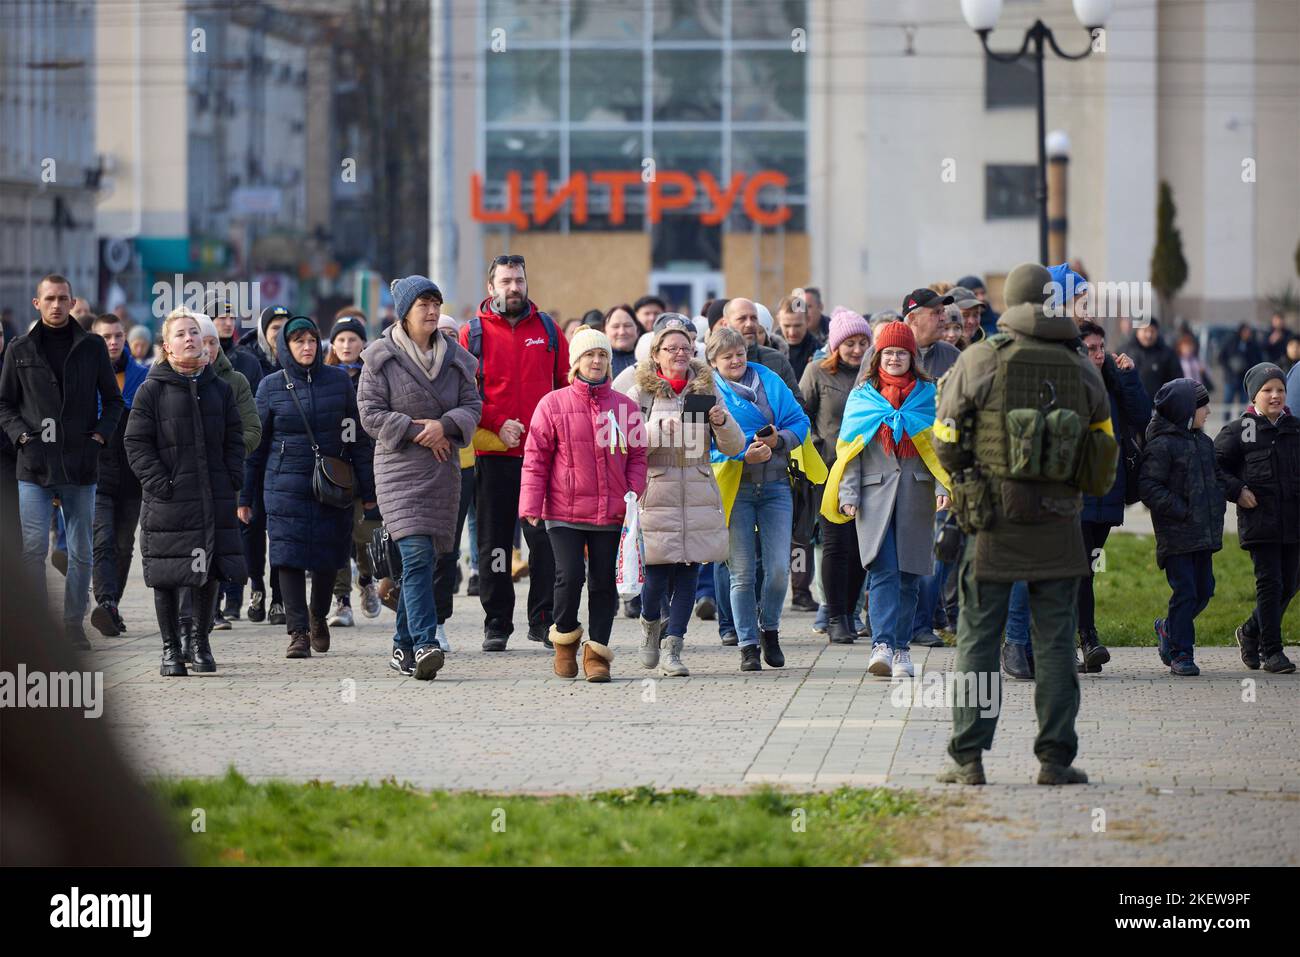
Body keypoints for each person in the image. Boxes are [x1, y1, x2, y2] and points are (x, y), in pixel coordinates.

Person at [933, 262, 1116, 786]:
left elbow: (945, 435)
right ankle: (1055, 760)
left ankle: (969, 758)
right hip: (1060, 524)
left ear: (1008, 304)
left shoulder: (980, 359)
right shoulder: (1082, 366)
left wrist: (967, 478)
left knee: (977, 642)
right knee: (1057, 643)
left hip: (991, 521)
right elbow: (1102, 447)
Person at [358, 277, 481, 679]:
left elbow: (473, 406)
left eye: (435, 303)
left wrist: (445, 425)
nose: (431, 311)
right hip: (399, 468)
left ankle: (401, 646)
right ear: (404, 311)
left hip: (442, 469)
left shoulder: (458, 358)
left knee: (426, 561)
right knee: (414, 555)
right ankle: (426, 641)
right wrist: (417, 430)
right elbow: (370, 413)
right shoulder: (379, 357)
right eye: (423, 304)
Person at [0, 275, 125, 649]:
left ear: (73, 304)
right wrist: (23, 437)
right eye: (50, 299)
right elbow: (4, 404)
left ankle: (72, 624)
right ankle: (38, 629)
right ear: (37, 303)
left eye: (63, 299)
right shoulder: (19, 350)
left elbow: (114, 401)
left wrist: (98, 438)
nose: (57, 305)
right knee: (33, 549)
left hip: (80, 465)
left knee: (81, 550)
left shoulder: (91, 347)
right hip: (34, 467)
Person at [239, 316, 376, 659]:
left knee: (329, 555)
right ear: (286, 346)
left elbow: (355, 437)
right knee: (288, 556)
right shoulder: (271, 386)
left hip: (332, 482)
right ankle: (297, 631)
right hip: (284, 483)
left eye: (312, 340)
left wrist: (369, 491)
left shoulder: (339, 383)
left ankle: (318, 616)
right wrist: (245, 496)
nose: (306, 347)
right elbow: (256, 445)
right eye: (298, 341)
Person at [520, 326, 648, 681]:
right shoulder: (553, 404)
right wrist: (531, 504)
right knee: (569, 576)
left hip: (611, 512)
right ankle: (564, 641)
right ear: (575, 362)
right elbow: (536, 458)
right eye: (589, 355)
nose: (597, 361)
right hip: (563, 512)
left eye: (602, 355)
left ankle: (598, 653)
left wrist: (633, 493)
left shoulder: (625, 407)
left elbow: (638, 455)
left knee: (604, 582)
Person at [124, 307, 245, 676]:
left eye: (194, 331)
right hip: (169, 502)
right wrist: (162, 485)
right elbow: (136, 444)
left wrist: (230, 478)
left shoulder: (219, 390)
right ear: (167, 346)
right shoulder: (151, 390)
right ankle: (170, 649)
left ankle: (200, 642)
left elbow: (234, 440)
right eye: (181, 333)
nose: (190, 338)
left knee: (207, 570)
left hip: (212, 497)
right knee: (168, 575)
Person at [826, 322, 948, 679]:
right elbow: (850, 450)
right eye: (889, 352)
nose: (895, 358)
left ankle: (901, 649)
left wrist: (944, 487)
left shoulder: (929, 394)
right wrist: (848, 493)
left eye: (902, 352)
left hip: (917, 493)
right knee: (882, 569)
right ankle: (880, 644)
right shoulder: (863, 395)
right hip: (872, 494)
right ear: (878, 356)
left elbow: (941, 447)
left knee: (909, 575)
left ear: (912, 356)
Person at [459, 255, 569, 652]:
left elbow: (564, 388)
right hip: (493, 455)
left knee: (544, 543)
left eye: (519, 280)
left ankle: (541, 621)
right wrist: (495, 421)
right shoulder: (470, 335)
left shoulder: (549, 331)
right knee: (495, 545)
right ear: (491, 288)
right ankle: (496, 623)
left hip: (543, 458)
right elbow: (462, 393)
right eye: (505, 281)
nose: (514, 287)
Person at [624, 316, 744, 676]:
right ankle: (650, 628)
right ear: (656, 355)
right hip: (657, 488)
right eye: (671, 348)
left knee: (691, 569)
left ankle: (674, 648)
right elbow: (624, 442)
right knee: (658, 572)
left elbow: (735, 446)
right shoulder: (640, 392)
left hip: (697, 486)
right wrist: (659, 428)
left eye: (685, 347)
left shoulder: (705, 388)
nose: (679, 353)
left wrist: (722, 422)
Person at [708, 326, 816, 671]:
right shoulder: (706, 391)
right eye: (727, 357)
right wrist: (741, 455)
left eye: (740, 353)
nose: (736, 360)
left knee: (779, 570)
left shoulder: (768, 378)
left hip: (776, 487)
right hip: (735, 488)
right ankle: (747, 644)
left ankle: (769, 629)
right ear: (713, 362)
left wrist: (779, 440)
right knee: (740, 572)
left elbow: (800, 421)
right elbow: (702, 447)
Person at [1214, 363, 1299, 674]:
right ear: (1254, 396)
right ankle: (1272, 651)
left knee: (1290, 583)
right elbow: (1215, 467)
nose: (1275, 396)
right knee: (1270, 584)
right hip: (1260, 522)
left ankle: (1250, 632)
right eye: (1268, 390)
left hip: (1293, 521)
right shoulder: (1239, 431)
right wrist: (1237, 491)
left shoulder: (1295, 428)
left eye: (1280, 389)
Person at [1140, 379, 1224, 677]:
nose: (1209, 412)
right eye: (1203, 406)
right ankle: (1181, 653)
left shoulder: (1204, 443)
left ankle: (1167, 629)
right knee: (1186, 591)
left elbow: (1217, 478)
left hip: (1203, 534)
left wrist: (1230, 494)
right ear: (1186, 410)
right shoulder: (1161, 446)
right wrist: (1180, 509)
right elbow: (1148, 486)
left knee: (1204, 590)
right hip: (1177, 536)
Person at [801, 308, 871, 645]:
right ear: (835, 346)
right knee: (836, 545)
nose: (857, 350)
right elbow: (802, 417)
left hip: (869, 471)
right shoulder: (817, 373)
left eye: (862, 343)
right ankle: (836, 616)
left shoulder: (873, 377)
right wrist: (815, 454)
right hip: (831, 471)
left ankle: (849, 612)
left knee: (861, 549)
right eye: (850, 344)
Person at [193, 314, 261, 633]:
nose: (207, 348)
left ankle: (216, 607)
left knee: (219, 543)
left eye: (212, 342)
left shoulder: (234, 382)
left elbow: (252, 429)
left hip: (223, 479)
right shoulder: (168, 381)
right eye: (201, 341)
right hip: (182, 483)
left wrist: (227, 456)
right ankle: (190, 614)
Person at [87, 313, 149, 638]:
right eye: (105, 337)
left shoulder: (143, 376)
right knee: (103, 541)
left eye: (117, 336)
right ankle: (106, 600)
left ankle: (112, 607)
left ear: (125, 338)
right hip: (97, 475)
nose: (112, 342)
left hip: (133, 477)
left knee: (124, 545)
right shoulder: (84, 376)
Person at [324, 310, 382, 628]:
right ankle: (342, 601)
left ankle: (367, 581)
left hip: (366, 467)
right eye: (341, 340)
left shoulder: (373, 376)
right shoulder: (324, 375)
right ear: (333, 344)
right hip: (333, 469)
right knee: (336, 537)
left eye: (353, 339)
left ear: (363, 343)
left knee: (364, 536)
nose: (347, 345)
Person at [239, 304, 291, 624]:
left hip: (286, 460)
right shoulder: (248, 361)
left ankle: (280, 597)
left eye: (286, 328)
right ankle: (256, 586)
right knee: (252, 527)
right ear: (263, 330)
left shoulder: (299, 359)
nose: (281, 335)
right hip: (255, 455)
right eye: (275, 328)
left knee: (284, 532)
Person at [715, 298, 803, 405]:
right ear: (725, 324)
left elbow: (798, 404)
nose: (749, 324)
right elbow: (695, 417)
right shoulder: (706, 365)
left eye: (754, 318)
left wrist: (778, 421)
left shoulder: (777, 360)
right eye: (742, 318)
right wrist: (716, 419)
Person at [900, 288, 960, 381]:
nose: (943, 318)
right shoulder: (882, 354)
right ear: (913, 319)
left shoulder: (953, 355)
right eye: (937, 312)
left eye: (943, 311)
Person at [1122, 318, 1183, 403]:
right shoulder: (1125, 351)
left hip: (1159, 408)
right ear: (1138, 331)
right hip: (1130, 407)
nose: (1149, 335)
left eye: (1152, 331)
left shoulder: (1167, 354)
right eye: (1145, 330)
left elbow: (1177, 382)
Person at [1219, 322, 1264, 416]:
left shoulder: (1253, 345)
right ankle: (1225, 420)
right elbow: (1222, 357)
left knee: (1243, 403)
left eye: (1249, 331)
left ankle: (1241, 420)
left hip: (1246, 378)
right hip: (1231, 377)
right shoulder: (1231, 342)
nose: (1247, 333)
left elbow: (1258, 359)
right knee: (1228, 400)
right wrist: (1229, 366)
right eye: (1245, 331)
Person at [955, 274, 1000, 339]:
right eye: (975, 294)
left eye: (983, 293)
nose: (981, 298)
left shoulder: (998, 320)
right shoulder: (953, 329)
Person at [602, 304, 640, 378]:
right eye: (615, 326)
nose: (622, 332)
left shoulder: (648, 360)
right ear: (604, 332)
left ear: (637, 330)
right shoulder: (600, 362)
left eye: (628, 325)